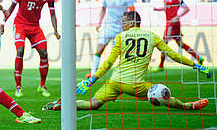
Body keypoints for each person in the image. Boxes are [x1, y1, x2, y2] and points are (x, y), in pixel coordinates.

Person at [42, 11, 211, 111]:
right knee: (161, 93)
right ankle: (189, 106)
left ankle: (63, 105)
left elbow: (108, 63)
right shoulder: (152, 36)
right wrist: (196, 65)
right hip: (135, 84)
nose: (121, 25)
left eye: (123, 22)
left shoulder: (121, 37)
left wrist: (91, 80)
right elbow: (174, 55)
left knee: (92, 104)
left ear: (131, 23)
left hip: (115, 81)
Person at [4, 0, 61, 98]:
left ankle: (42, 85)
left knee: (44, 53)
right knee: (20, 51)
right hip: (20, 25)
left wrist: (55, 30)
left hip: (35, 27)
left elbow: (53, 13)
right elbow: (12, 7)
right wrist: (3, 22)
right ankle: (18, 87)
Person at [87, 0, 135, 78]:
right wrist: (99, 23)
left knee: (120, 53)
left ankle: (124, 74)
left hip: (120, 28)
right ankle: (92, 73)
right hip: (107, 27)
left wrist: (131, 25)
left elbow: (132, 12)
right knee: (99, 50)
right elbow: (103, 9)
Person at [153, 0, 204, 72]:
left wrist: (177, 16)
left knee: (163, 44)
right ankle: (198, 58)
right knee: (180, 44)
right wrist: (158, 9)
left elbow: (186, 8)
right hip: (169, 23)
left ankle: (161, 66)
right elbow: (166, 8)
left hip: (172, 24)